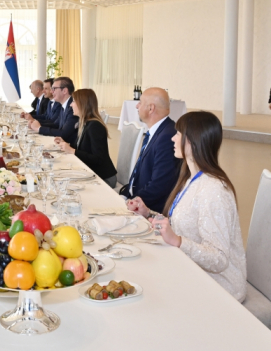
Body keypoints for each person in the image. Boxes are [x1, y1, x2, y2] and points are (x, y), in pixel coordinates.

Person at [126, 111, 246, 302]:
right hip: (191, 268)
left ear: (192, 141)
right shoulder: (192, 178)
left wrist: (178, 241)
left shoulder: (213, 191)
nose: (173, 138)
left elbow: (219, 259)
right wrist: (149, 213)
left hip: (219, 286)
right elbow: (184, 223)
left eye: (178, 134)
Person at [119, 87, 180, 213]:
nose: (137, 106)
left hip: (148, 209)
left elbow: (159, 185)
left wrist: (131, 202)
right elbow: (140, 172)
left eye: (140, 102)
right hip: (136, 199)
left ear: (151, 108)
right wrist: (124, 195)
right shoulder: (158, 131)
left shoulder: (167, 136)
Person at [54, 89, 117, 187]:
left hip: (103, 178)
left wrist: (72, 150)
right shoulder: (85, 123)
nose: (71, 105)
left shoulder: (95, 126)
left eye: (74, 101)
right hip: (91, 172)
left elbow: (98, 159)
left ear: (82, 104)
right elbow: (82, 148)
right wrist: (67, 145)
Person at [29, 76, 80, 144]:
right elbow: (55, 124)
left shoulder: (72, 108)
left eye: (54, 89)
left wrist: (39, 128)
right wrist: (35, 123)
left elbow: (64, 134)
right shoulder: (64, 105)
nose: (51, 91)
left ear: (64, 91)